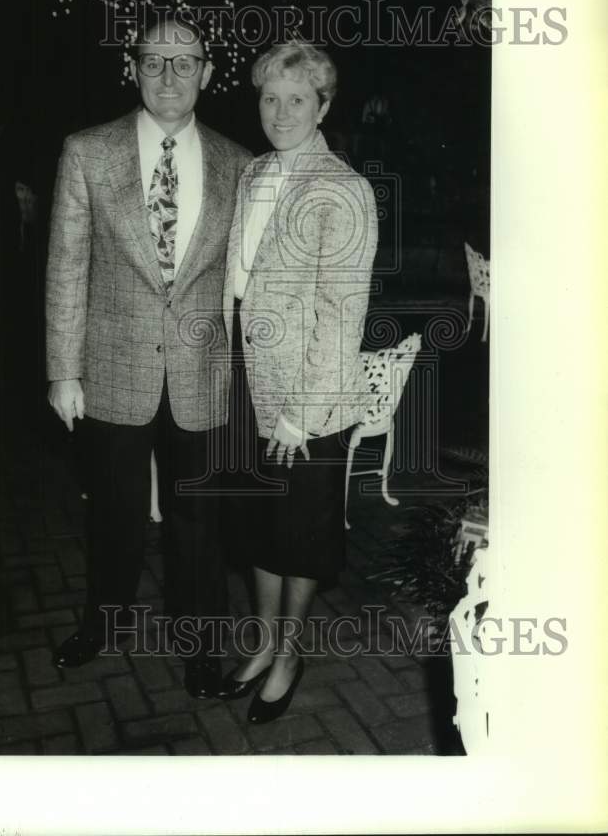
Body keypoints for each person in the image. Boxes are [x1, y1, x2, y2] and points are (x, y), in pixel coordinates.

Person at [45, 16, 251, 699]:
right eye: (153, 62)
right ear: (131, 69)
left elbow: (240, 281)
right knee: (113, 515)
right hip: (109, 369)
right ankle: (100, 625)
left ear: (208, 72)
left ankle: (199, 651)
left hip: (202, 376)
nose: (169, 77)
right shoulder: (86, 152)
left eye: (184, 62)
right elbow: (67, 265)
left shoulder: (237, 163)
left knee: (201, 527)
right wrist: (62, 370)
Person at [219, 41, 378, 723]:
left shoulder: (342, 188)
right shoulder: (253, 172)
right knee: (258, 527)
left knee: (299, 537)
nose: (280, 112)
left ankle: (288, 656)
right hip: (247, 384)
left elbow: (341, 315)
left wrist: (299, 417)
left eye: (296, 99)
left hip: (306, 401)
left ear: (323, 105)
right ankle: (259, 643)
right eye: (268, 98)